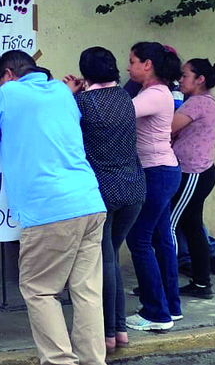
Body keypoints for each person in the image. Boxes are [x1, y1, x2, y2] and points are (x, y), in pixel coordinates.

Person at [0, 50, 108, 365]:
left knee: (40, 290)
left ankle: (59, 361)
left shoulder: (9, 92)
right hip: (89, 201)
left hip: (48, 209)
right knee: (87, 291)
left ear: (8, 74)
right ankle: (93, 360)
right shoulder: (62, 93)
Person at [64, 47, 145, 352]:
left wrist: (72, 93)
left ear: (85, 72)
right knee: (111, 256)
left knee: (105, 261)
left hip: (102, 190)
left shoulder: (82, 103)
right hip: (133, 188)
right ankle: (119, 330)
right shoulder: (125, 97)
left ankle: (108, 333)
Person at [123, 42, 183, 332]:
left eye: (132, 61)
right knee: (160, 239)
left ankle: (156, 313)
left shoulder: (155, 94)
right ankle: (170, 305)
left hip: (156, 173)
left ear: (147, 65)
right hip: (161, 171)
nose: (128, 67)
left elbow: (117, 114)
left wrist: (91, 93)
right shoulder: (153, 92)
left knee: (139, 240)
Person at [168, 59, 215, 299]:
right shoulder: (204, 101)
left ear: (200, 79)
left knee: (168, 226)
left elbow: (168, 127)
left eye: (185, 75)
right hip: (199, 172)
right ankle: (202, 283)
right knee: (192, 227)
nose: (180, 80)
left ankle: (163, 286)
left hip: (193, 173)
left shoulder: (198, 103)